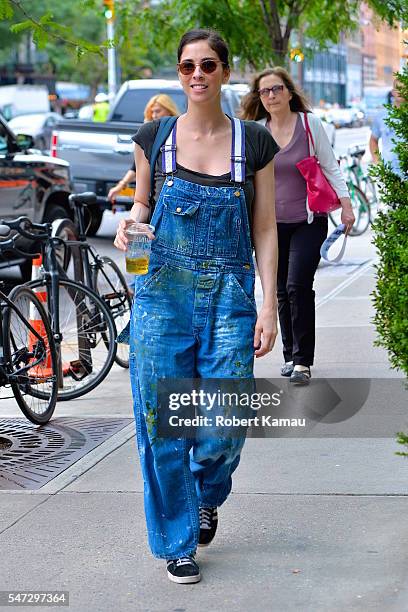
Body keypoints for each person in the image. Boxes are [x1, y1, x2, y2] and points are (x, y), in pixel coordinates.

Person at [114, 29, 279, 584]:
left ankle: (207, 491)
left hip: (230, 298)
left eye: (208, 64)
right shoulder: (154, 137)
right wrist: (131, 237)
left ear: (225, 71)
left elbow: (265, 227)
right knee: (163, 426)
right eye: (187, 66)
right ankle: (177, 543)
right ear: (179, 73)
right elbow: (141, 208)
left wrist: (269, 306)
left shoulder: (252, 142)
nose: (197, 75)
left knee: (224, 426)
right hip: (161, 299)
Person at [240, 67, 355, 385]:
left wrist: (346, 205)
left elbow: (330, 165)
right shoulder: (256, 131)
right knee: (279, 291)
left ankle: (303, 361)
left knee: (297, 286)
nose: (271, 96)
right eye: (264, 92)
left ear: (289, 92)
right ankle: (290, 356)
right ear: (259, 99)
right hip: (269, 226)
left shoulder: (309, 124)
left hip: (308, 221)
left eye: (276, 89)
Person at [108, 94, 180, 203]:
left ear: (169, 111)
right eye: (152, 112)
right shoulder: (149, 135)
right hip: (153, 197)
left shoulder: (179, 132)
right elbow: (136, 167)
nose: (154, 115)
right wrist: (120, 186)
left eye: (158, 111)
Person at [369, 78, 404, 177]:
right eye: (399, 89)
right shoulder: (382, 116)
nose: (402, 92)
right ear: (393, 92)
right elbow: (373, 140)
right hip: (390, 174)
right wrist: (378, 162)